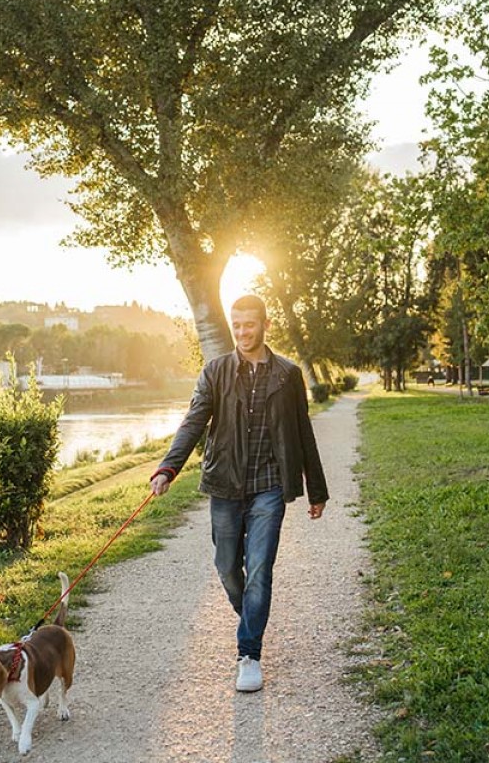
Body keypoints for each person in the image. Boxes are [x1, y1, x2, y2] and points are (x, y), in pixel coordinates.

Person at [149, 294, 329, 693]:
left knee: (260, 569)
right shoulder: (215, 372)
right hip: (226, 485)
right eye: (237, 325)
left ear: (266, 325)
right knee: (228, 568)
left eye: (250, 324)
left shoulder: (288, 374)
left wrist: (316, 489)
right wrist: (168, 467)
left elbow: (303, 432)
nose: (243, 332)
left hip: (270, 486)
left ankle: (249, 653)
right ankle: (252, 613)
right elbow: (193, 422)